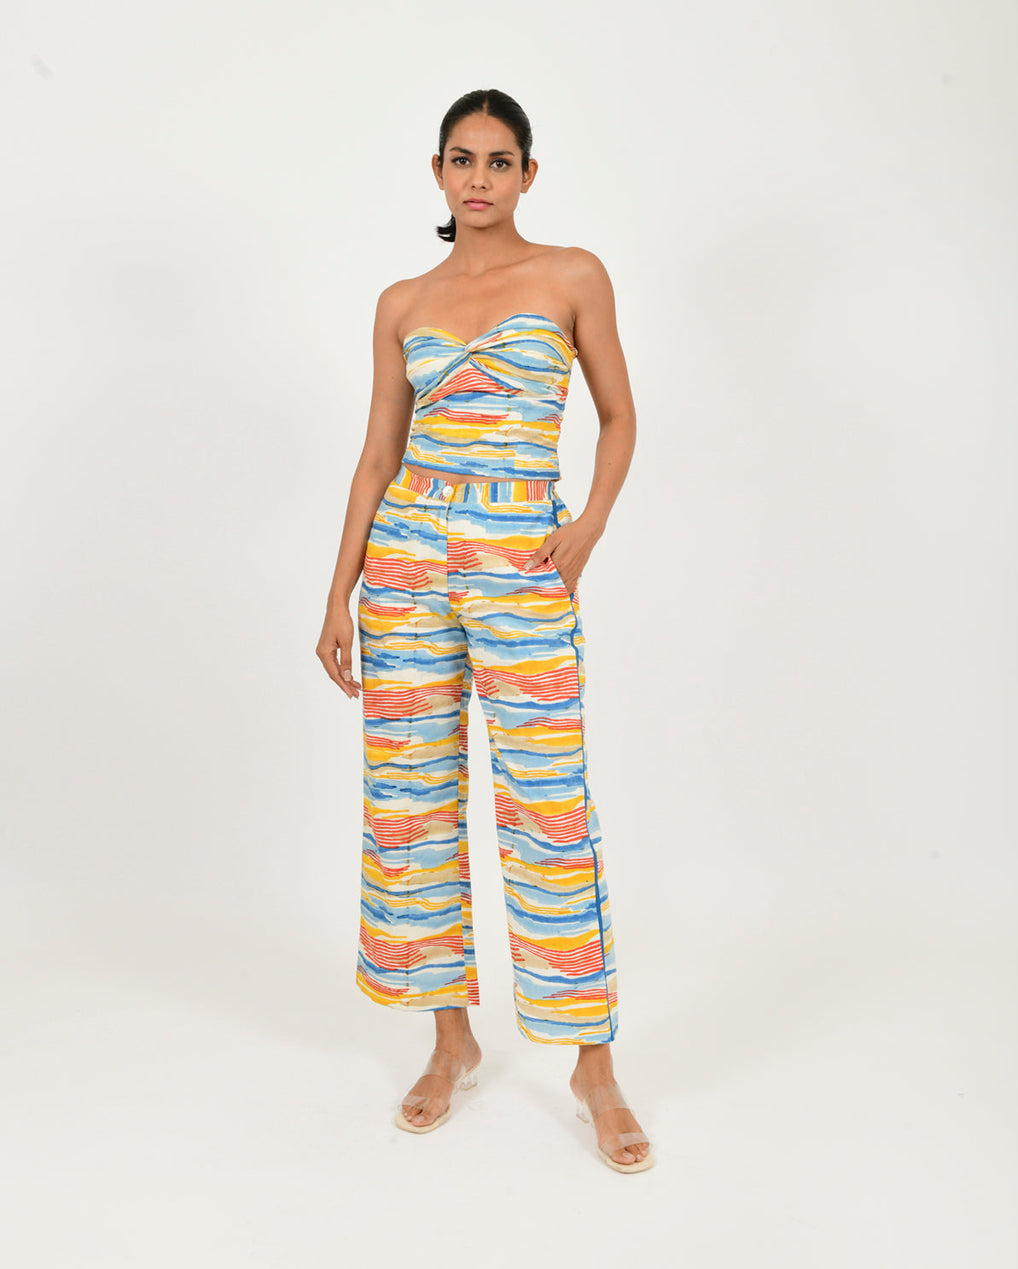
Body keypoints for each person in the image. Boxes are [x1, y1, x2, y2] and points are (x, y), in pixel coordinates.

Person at [315, 88, 652, 1173]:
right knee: (409, 801)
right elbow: (379, 453)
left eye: (499, 161)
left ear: (527, 175)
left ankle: (593, 1066)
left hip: (520, 557)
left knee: (547, 802)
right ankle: (448, 1039)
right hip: (406, 563)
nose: (479, 178)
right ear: (437, 171)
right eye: (461, 159)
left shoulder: (571, 276)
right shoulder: (402, 300)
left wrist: (588, 523)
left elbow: (619, 414)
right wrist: (338, 594)